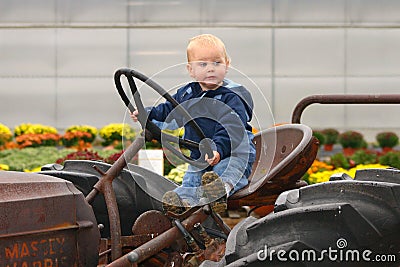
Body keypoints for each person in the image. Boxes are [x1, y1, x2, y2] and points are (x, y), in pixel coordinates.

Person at [131, 33, 256, 214]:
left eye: (217, 63)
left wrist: (218, 150)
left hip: (233, 151)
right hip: (201, 154)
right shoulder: (188, 93)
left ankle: (221, 192)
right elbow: (169, 110)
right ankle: (181, 202)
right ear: (191, 70)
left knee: (226, 170)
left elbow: (231, 128)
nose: (211, 69)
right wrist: (148, 114)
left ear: (227, 65)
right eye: (203, 64)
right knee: (191, 179)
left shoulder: (232, 96)